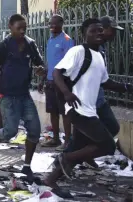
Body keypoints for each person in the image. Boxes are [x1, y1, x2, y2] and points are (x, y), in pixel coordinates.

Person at [43, 18, 132, 198]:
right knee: (107, 145)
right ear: (84, 33)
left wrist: (126, 87)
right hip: (77, 108)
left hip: (89, 108)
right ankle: (66, 158)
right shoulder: (78, 51)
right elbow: (57, 72)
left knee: (80, 144)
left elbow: (105, 82)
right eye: (93, 31)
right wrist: (67, 93)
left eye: (100, 31)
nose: (98, 33)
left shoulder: (99, 56)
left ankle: (51, 179)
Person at [0, 14, 46, 179]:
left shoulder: (30, 44)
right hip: (8, 96)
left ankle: (27, 166)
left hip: (25, 95)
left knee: (34, 131)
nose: (22, 31)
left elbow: (40, 63)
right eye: (19, 28)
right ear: (10, 27)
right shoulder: (3, 46)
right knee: (10, 131)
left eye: (24, 28)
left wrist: (40, 69)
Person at [42, 15, 75, 150]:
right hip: (50, 81)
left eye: (55, 24)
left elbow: (70, 63)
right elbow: (50, 62)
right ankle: (55, 139)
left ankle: (67, 142)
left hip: (61, 83)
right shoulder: (50, 39)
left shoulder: (67, 40)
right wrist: (44, 78)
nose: (52, 26)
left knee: (64, 112)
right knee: (53, 112)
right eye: (51, 24)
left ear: (62, 24)